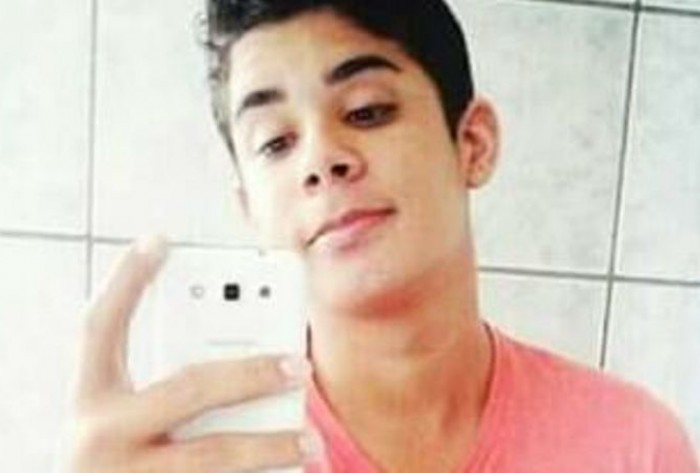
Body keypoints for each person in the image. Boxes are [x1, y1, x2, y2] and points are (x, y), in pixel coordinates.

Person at [71, 0, 699, 471]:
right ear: (249, 209)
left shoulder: (635, 446)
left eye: (366, 110)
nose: (321, 159)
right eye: (276, 142)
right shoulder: (195, 457)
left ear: (472, 143)